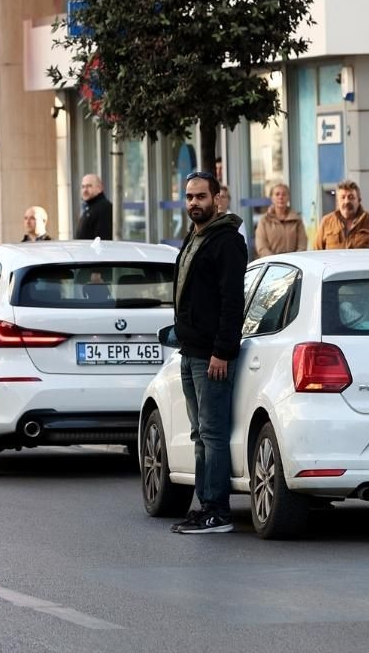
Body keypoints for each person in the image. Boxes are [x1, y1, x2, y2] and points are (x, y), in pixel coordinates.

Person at [170, 171, 247, 534]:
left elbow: (233, 302)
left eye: (201, 196)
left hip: (212, 356)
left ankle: (218, 510)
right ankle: (204, 507)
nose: (193, 203)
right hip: (190, 352)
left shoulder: (226, 241)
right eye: (189, 197)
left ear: (217, 198)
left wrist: (222, 351)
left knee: (213, 434)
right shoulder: (195, 237)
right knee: (199, 434)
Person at [315, 180, 369, 250]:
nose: (346, 201)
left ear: (359, 200)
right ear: (337, 201)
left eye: (351, 197)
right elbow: (316, 253)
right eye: (343, 197)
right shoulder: (326, 222)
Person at [254, 182, 308, 257]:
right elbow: (262, 247)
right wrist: (276, 262)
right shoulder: (264, 221)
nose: (281, 197)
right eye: (277, 194)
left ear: (288, 197)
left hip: (294, 265)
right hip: (272, 264)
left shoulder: (297, 220)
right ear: (272, 198)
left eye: (284, 194)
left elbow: (302, 245)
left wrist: (293, 261)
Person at [75, 174, 113, 240]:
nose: (85, 190)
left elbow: (103, 239)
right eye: (83, 187)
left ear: (99, 188)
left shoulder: (104, 208)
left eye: (89, 186)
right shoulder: (89, 207)